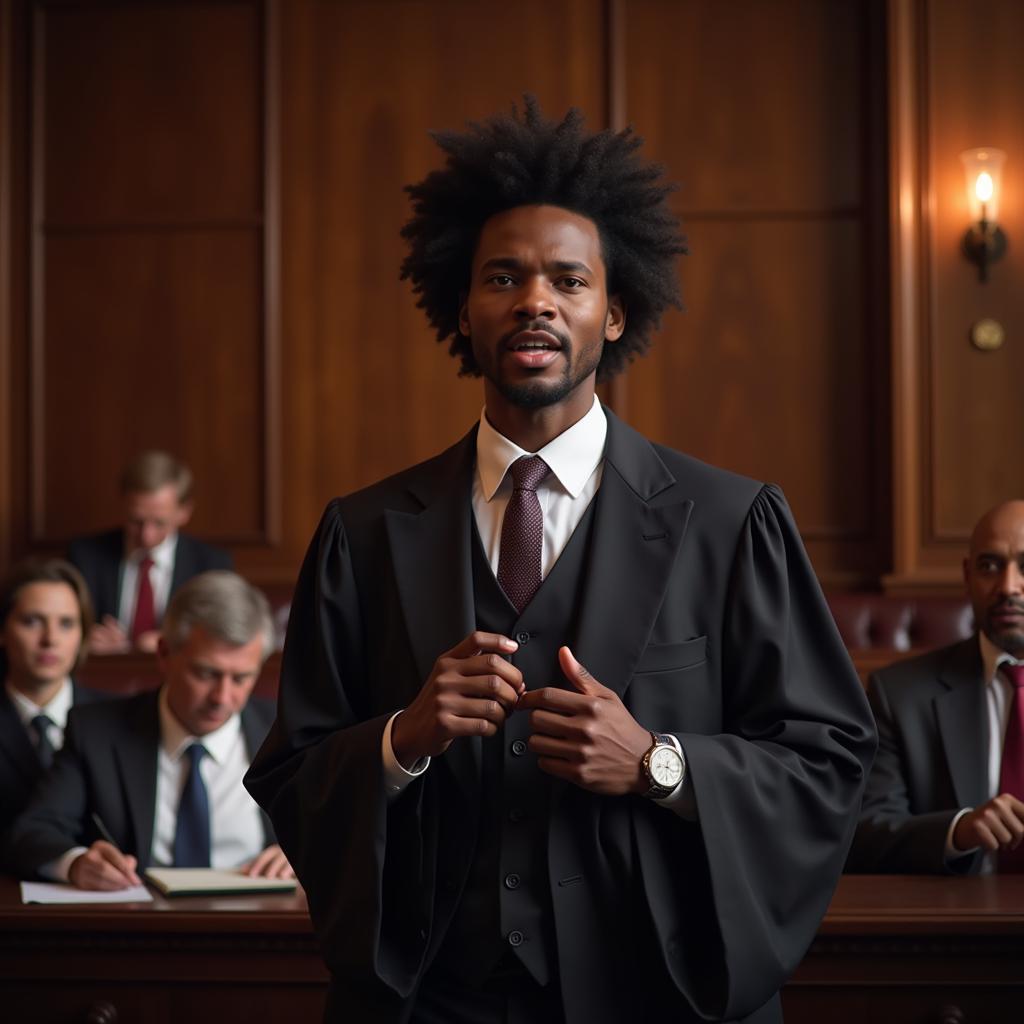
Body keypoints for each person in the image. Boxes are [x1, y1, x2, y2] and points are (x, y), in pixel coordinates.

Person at [245, 99, 875, 1024]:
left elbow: (829, 765)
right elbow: (293, 776)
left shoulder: (734, 523)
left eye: (568, 280)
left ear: (615, 314)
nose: (535, 298)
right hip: (430, 999)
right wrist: (401, 740)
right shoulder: (367, 531)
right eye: (504, 276)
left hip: (653, 997)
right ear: (462, 308)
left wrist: (658, 762)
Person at [5, 570, 292, 890]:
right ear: (164, 655)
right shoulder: (96, 731)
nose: (222, 698)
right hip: (141, 926)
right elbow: (34, 832)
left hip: (262, 925)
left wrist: (302, 853)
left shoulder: (286, 733)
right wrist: (76, 864)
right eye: (206, 674)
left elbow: (344, 830)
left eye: (241, 678)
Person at [848, 499, 1024, 874]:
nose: (1008, 586)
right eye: (990, 566)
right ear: (967, 575)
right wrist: (958, 831)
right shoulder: (899, 694)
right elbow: (863, 831)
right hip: (957, 923)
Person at [68, 450, 233, 655]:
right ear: (123, 505)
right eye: (136, 521)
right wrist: (85, 638)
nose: (146, 535)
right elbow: (69, 626)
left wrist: (171, 641)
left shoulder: (212, 564)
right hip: (105, 674)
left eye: (159, 522)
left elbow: (221, 636)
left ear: (184, 512)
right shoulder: (86, 555)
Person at [0, 559, 107, 838]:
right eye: (32, 621)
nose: (50, 639)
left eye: (66, 623)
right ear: (3, 630)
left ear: (83, 634)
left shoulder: (113, 719)